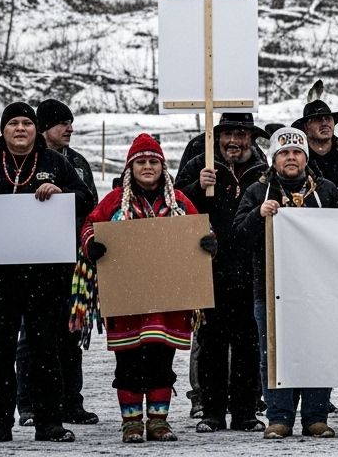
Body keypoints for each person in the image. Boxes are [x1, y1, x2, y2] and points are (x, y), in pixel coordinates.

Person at [79, 133, 213, 443]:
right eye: (141, 162)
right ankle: (131, 422)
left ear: (163, 167)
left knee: (160, 360)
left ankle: (158, 421)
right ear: (130, 168)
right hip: (127, 299)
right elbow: (89, 225)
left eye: (154, 161)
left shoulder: (178, 201)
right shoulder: (114, 201)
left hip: (167, 302)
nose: (148, 166)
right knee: (128, 362)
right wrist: (93, 244)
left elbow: (201, 228)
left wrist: (207, 242)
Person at [233, 126, 338, 440]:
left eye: (297, 152)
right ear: (274, 159)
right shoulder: (258, 191)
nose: (291, 158)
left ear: (305, 157)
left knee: (318, 352)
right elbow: (239, 236)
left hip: (319, 291)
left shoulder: (325, 191)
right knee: (274, 355)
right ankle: (279, 418)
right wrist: (258, 214)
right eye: (284, 153)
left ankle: (315, 418)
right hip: (269, 289)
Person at [0, 102, 91, 444]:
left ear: (35, 130)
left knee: (46, 349)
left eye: (26, 124)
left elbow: (87, 198)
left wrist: (62, 194)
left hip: (45, 275)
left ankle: (49, 423)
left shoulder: (54, 163)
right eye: (13, 123)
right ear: (3, 131)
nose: (20, 128)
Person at [175, 113, 267, 433]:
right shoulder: (199, 165)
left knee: (248, 344)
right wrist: (197, 187)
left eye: (241, 134)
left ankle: (245, 412)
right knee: (211, 343)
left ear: (251, 138)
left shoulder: (263, 171)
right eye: (227, 133)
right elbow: (176, 208)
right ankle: (211, 411)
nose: (233, 141)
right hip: (209, 268)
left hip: (251, 270)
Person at [13, 99, 99, 429]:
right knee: (30, 335)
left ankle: (70, 402)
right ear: (44, 128)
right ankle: (29, 403)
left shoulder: (77, 162)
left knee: (71, 329)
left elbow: (89, 200)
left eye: (71, 122)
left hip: (73, 257)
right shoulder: (27, 163)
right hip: (33, 257)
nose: (70, 128)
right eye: (63, 123)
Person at [292, 96, 338, 188]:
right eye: (318, 119)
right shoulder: (296, 157)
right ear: (306, 127)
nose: (324, 123)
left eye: (328, 118)